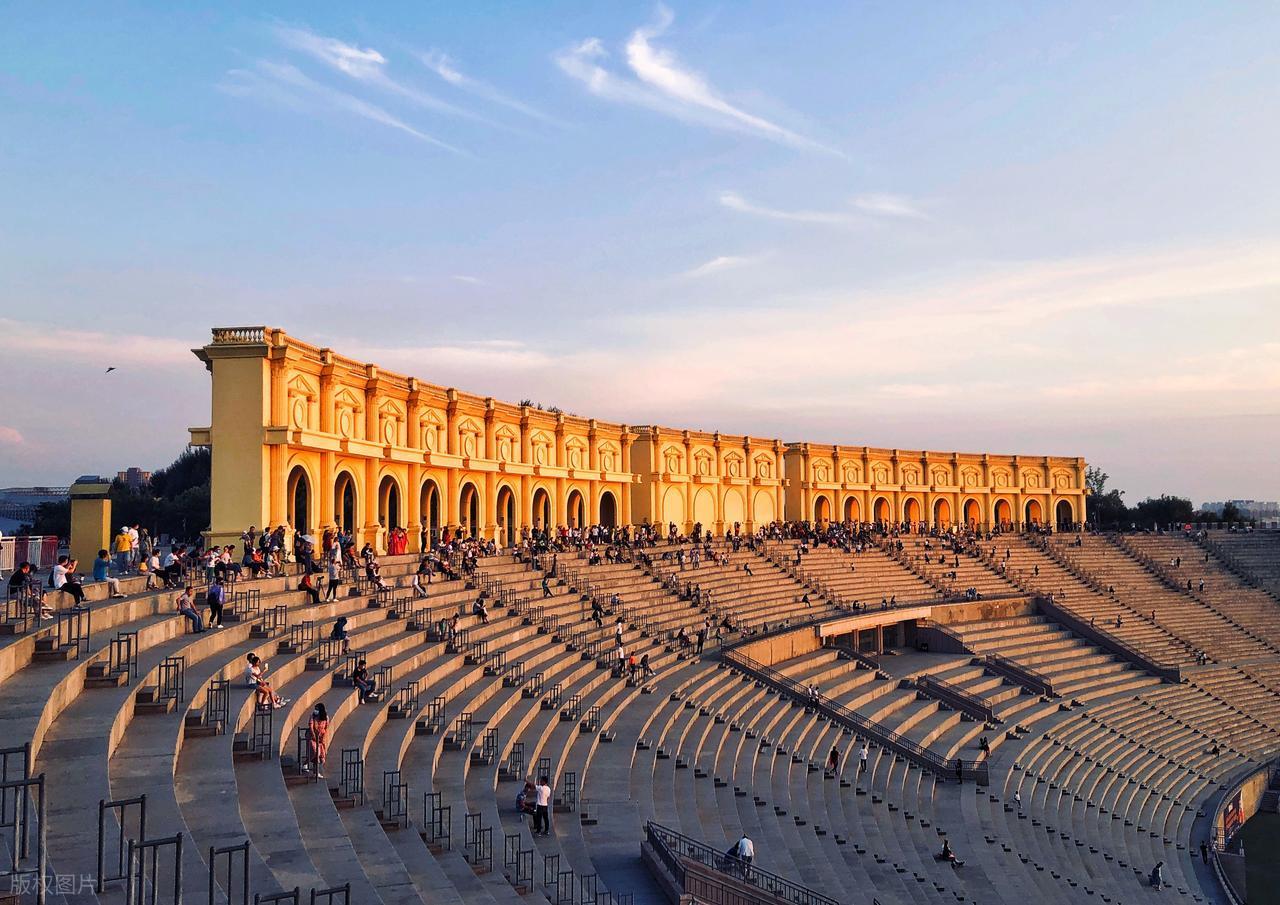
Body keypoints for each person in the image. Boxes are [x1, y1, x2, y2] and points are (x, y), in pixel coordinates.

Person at [305, 703, 329, 777]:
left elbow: (326, 728)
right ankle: (311, 768)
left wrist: (323, 737)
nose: (315, 710)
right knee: (315, 752)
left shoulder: (326, 717)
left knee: (321, 754)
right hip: (312, 737)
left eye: (317, 709)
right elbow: (311, 726)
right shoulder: (312, 716)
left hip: (321, 738)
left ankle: (315, 771)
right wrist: (313, 736)